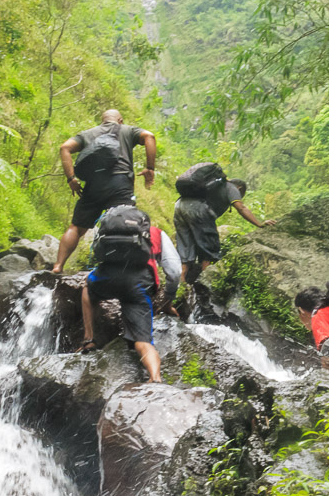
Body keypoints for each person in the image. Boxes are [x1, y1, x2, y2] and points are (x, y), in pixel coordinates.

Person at [77, 206, 181, 383]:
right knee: (142, 341)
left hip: (106, 277)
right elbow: (174, 271)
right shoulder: (157, 234)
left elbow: (96, 254)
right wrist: (168, 300)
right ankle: (155, 378)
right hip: (138, 284)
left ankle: (89, 339)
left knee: (88, 287)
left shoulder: (109, 227)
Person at [51, 109, 157, 274]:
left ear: (102, 120)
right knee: (124, 224)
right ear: (120, 120)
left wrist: (71, 178)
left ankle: (58, 266)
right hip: (120, 183)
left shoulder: (88, 134)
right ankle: (122, 269)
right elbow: (149, 136)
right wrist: (150, 168)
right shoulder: (127, 130)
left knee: (76, 227)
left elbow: (64, 147)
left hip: (94, 185)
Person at [173, 177, 276, 283]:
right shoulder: (231, 187)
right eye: (241, 195)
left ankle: (180, 284)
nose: (239, 197)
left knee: (186, 249)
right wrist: (259, 224)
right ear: (240, 188)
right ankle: (204, 283)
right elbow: (241, 208)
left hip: (180, 205)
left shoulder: (214, 185)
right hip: (198, 210)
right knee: (209, 249)